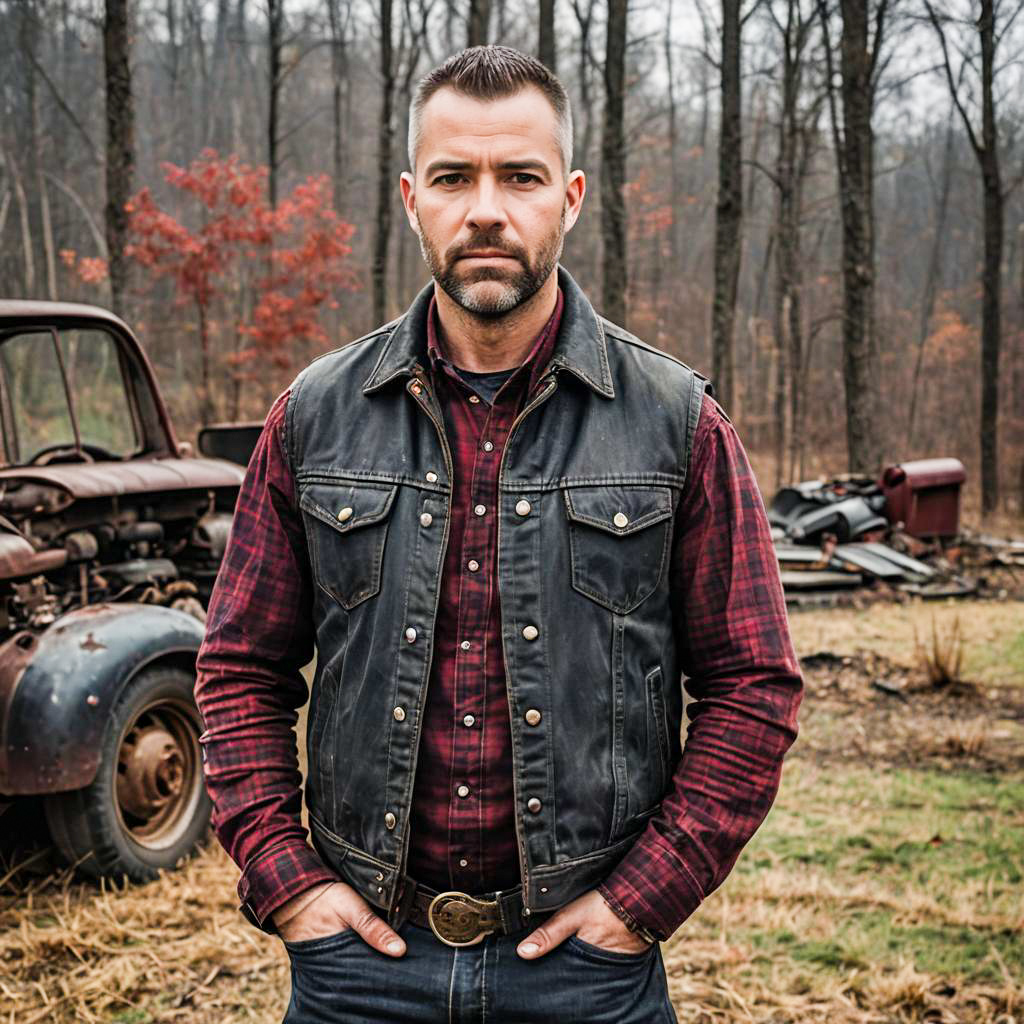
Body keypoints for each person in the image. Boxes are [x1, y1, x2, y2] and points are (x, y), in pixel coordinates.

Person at [194, 44, 803, 1024]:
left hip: (585, 971)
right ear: (409, 197)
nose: (485, 208)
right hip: (360, 970)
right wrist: (286, 879)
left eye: (518, 176)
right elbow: (236, 667)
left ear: (567, 196)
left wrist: (637, 905)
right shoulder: (312, 417)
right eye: (453, 177)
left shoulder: (675, 422)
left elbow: (753, 685)